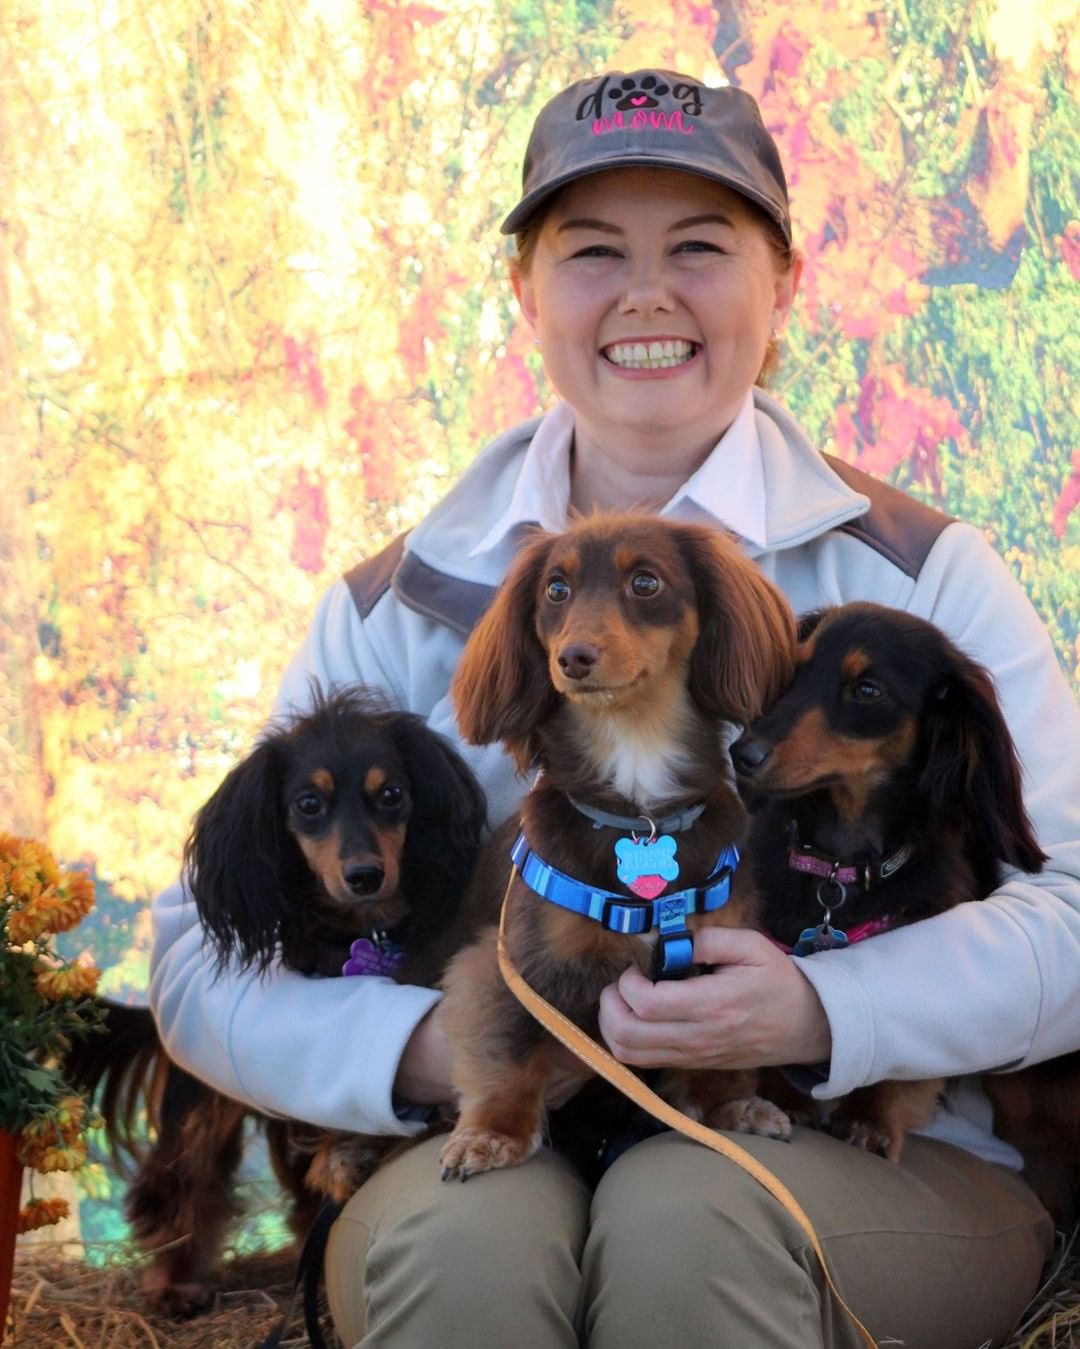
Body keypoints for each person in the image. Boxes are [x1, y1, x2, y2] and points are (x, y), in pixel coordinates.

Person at [149, 69, 1080, 1348]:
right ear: (526, 290)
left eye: (699, 246)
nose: (647, 294)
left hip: (865, 1143)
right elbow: (201, 957)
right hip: (493, 1134)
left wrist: (827, 1013)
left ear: (786, 283)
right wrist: (450, 1045)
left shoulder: (917, 573)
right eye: (593, 253)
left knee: (689, 1224)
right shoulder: (395, 600)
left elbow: (1073, 905)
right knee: (460, 1253)